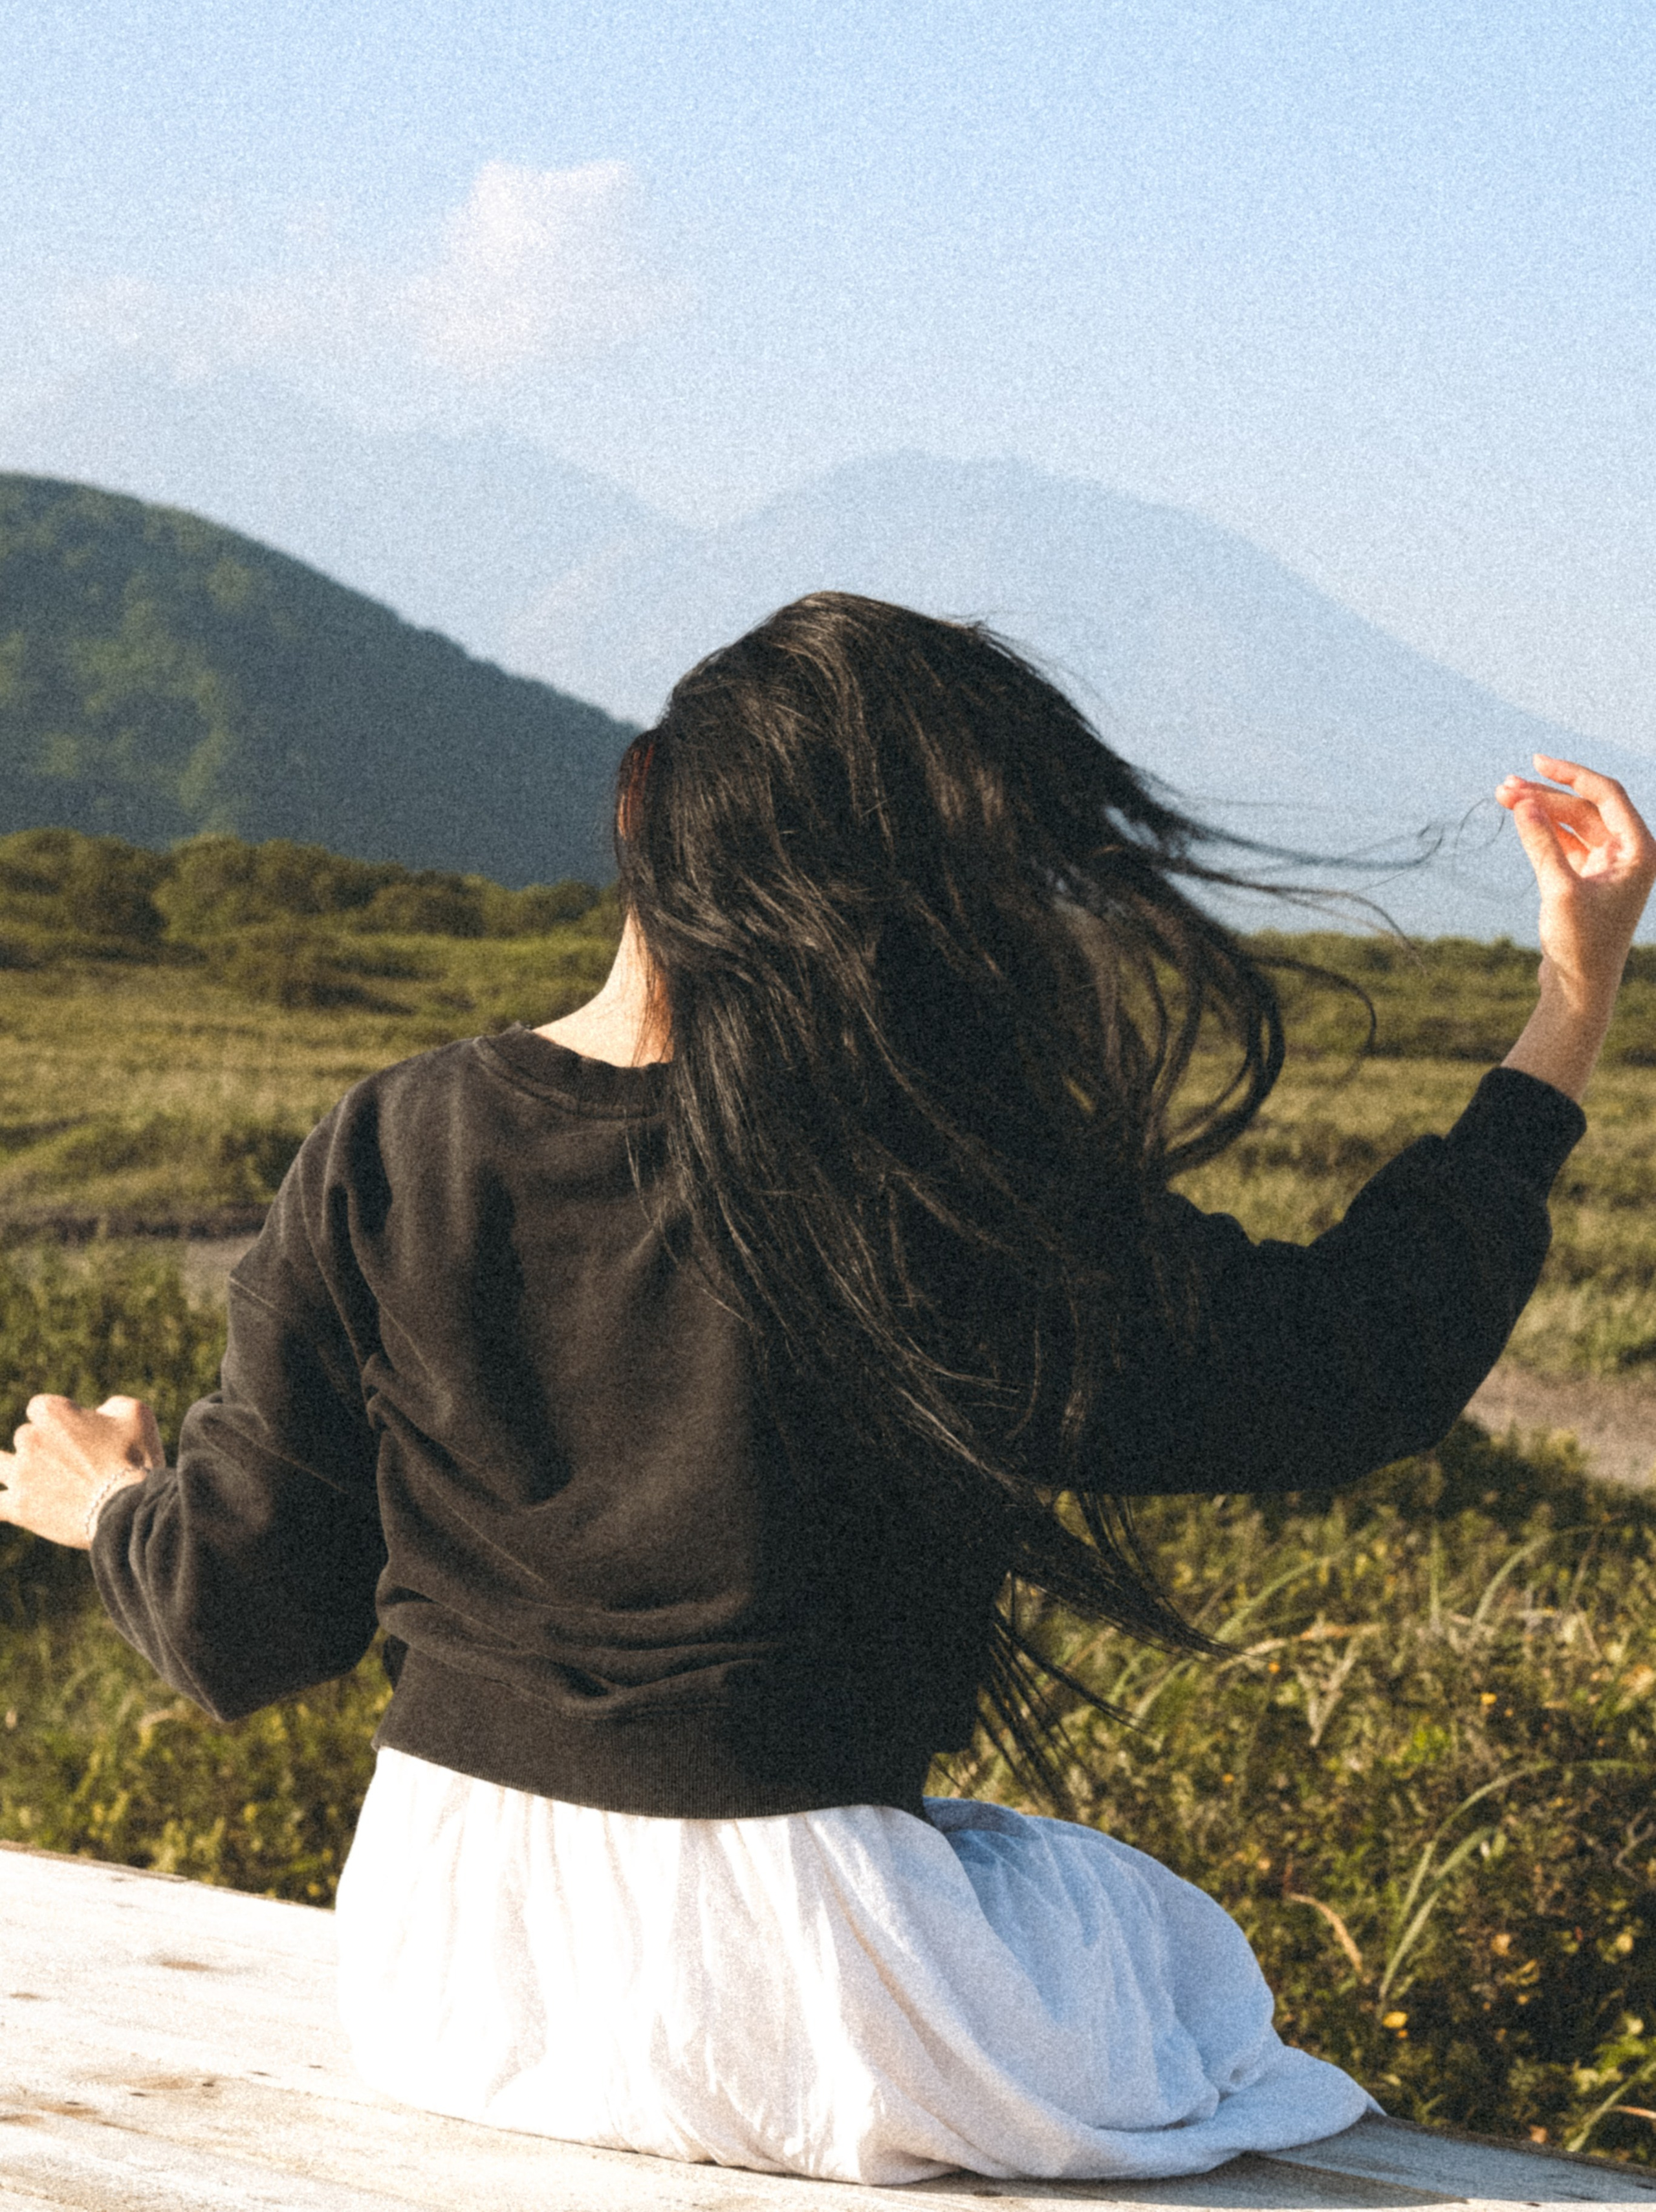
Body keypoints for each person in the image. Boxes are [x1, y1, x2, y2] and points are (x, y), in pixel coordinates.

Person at [3, 593, 1652, 2188]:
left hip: (452, 1969)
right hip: (818, 2010)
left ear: (641, 807)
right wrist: (1569, 995)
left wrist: (109, 1499)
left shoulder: (395, 1136)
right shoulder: (929, 1186)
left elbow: (247, 1616)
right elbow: (1350, 1362)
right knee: (1156, 1948)